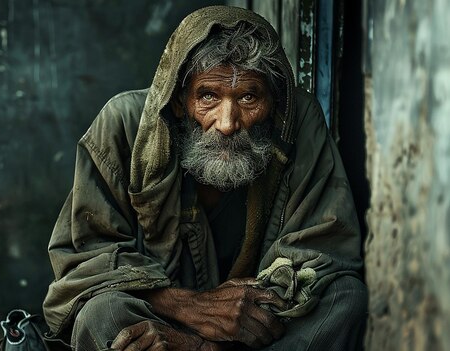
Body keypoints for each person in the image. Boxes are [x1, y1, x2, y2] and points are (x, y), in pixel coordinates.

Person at [42, 5, 367, 351]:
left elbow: (322, 252)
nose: (227, 123)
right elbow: (85, 261)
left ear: (273, 102)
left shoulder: (296, 121)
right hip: (161, 316)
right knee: (102, 312)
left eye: (248, 97)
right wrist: (189, 308)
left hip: (258, 326)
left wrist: (213, 342)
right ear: (181, 100)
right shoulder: (124, 125)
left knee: (343, 297)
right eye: (209, 96)